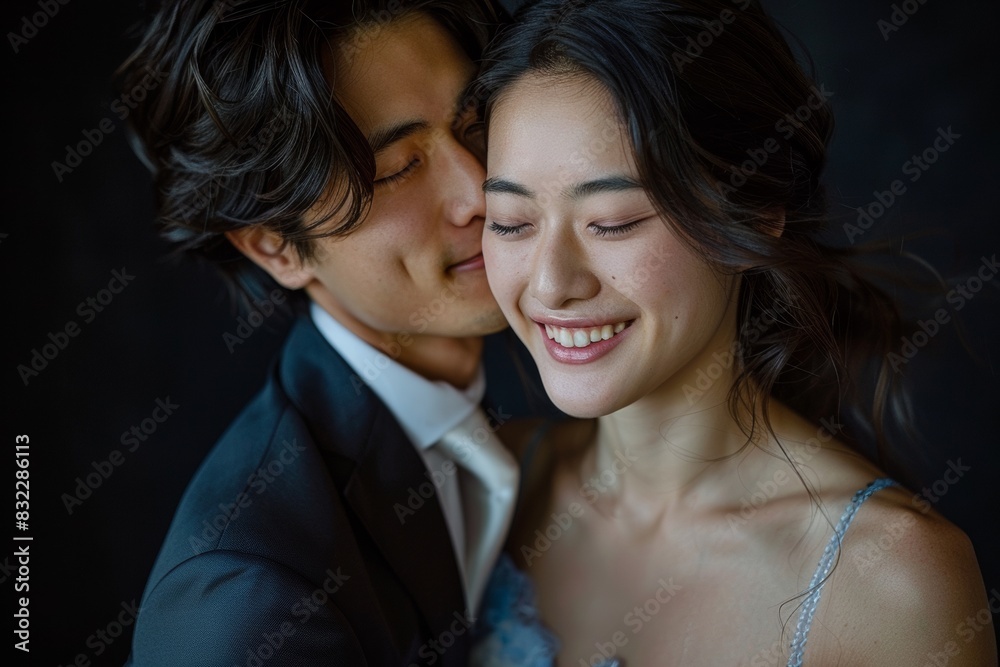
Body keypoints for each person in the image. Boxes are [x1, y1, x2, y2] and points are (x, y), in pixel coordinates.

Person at [471, 1, 998, 665]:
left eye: (611, 221)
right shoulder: (483, 484)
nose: (551, 283)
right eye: (512, 222)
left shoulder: (893, 576)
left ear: (753, 217)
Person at [117, 1, 522, 665]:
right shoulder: (249, 595)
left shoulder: (528, 411)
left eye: (474, 125)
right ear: (277, 247)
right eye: (398, 166)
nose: (478, 189)